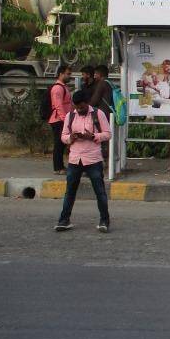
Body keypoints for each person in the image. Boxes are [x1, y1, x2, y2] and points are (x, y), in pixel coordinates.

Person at [56, 90, 111, 233]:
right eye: (76, 107)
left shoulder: (98, 114)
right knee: (70, 191)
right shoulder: (70, 116)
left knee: (99, 191)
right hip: (75, 159)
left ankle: (104, 220)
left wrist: (93, 136)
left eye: (81, 107)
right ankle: (64, 220)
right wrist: (71, 138)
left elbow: (108, 134)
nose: (79, 109)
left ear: (87, 103)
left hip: (93, 158)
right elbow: (63, 136)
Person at [48, 64, 73, 175]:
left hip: (62, 119)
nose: (69, 76)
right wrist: (65, 120)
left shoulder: (63, 87)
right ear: (61, 74)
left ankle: (60, 166)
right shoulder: (58, 88)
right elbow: (59, 106)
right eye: (67, 74)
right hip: (58, 120)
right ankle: (58, 168)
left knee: (61, 144)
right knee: (59, 144)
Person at [88, 64, 114, 161]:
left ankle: (100, 160)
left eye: (95, 74)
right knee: (106, 138)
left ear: (100, 74)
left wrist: (85, 107)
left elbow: (94, 100)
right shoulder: (110, 83)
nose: (94, 76)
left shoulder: (102, 84)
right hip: (109, 114)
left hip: (102, 115)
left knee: (99, 138)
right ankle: (107, 160)